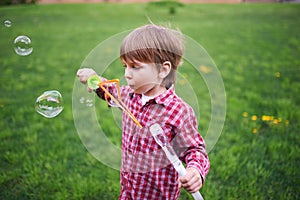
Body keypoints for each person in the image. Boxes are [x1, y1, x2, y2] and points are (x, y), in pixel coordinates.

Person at [77, 23, 210, 200]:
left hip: (157, 195)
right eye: (125, 66)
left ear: (163, 70)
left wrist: (195, 170)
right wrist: (94, 80)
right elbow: (108, 91)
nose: (127, 74)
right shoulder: (129, 95)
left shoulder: (178, 111)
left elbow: (195, 149)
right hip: (129, 189)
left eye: (135, 67)